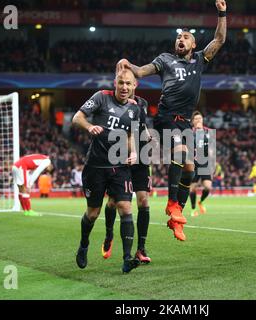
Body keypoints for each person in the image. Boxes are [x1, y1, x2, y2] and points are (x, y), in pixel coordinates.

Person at [117, 0, 227, 241]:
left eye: (186, 37)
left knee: (189, 168)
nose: (181, 39)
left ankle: (176, 216)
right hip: (167, 117)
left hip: (185, 121)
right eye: (179, 37)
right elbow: (142, 71)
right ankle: (172, 204)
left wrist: (222, 13)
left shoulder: (199, 59)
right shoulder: (165, 59)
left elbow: (219, 40)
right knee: (180, 153)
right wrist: (129, 65)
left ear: (193, 43)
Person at [72, 69, 141, 274]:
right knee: (93, 213)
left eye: (128, 84)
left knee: (126, 208)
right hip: (95, 167)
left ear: (133, 86)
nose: (124, 87)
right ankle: (84, 244)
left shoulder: (134, 109)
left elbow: (130, 136)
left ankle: (127, 258)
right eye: (121, 83)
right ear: (115, 83)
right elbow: (77, 117)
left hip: (119, 167)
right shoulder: (101, 97)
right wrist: (89, 126)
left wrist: (135, 152)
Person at [103, 93, 152, 264]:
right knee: (112, 202)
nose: (126, 85)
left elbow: (143, 125)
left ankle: (141, 249)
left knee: (144, 201)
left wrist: (147, 135)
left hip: (141, 156)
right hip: (120, 156)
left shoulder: (142, 103)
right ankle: (109, 234)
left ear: (134, 84)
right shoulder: (112, 102)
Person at [189, 111, 213, 217]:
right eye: (196, 119)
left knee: (208, 187)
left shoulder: (208, 131)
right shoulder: (189, 132)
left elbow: (210, 144)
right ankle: (193, 209)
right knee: (192, 188)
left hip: (204, 162)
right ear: (192, 122)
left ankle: (201, 201)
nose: (199, 120)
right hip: (193, 163)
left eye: (200, 118)